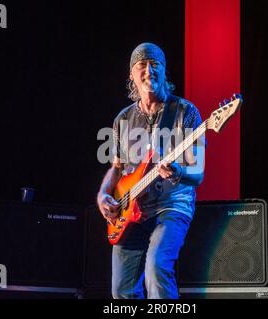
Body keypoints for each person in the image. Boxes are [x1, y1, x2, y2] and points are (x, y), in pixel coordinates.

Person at [97, 42, 205, 299]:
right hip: (130, 209)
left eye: (155, 64)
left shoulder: (185, 112)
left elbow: (198, 174)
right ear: (131, 75)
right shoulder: (122, 119)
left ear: (164, 71)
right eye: (141, 65)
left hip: (171, 206)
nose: (148, 70)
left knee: (156, 268)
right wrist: (102, 194)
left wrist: (177, 171)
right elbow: (116, 167)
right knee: (121, 290)